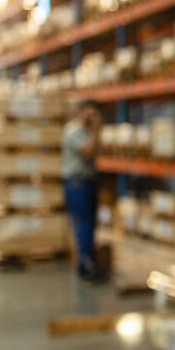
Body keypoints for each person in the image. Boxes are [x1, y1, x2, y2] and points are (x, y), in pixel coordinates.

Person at [62, 100, 102, 280]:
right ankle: (85, 268)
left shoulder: (88, 132)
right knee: (83, 225)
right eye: (90, 113)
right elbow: (87, 151)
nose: (93, 117)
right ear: (81, 112)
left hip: (89, 182)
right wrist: (96, 130)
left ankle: (88, 264)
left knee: (91, 225)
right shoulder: (73, 131)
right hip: (77, 184)